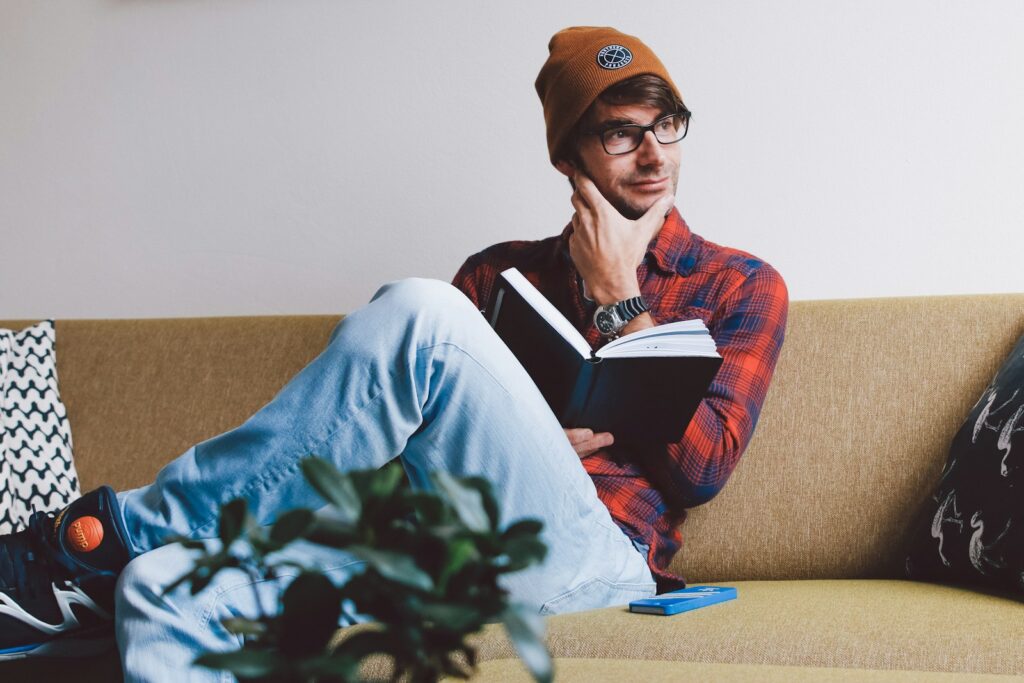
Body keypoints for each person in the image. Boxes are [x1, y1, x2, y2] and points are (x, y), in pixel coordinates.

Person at [0, 26, 788, 681]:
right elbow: (369, 456)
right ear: (567, 158)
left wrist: (621, 299)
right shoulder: (498, 275)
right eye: (621, 133)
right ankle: (131, 554)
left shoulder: (741, 284)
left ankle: (104, 536)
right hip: (432, 552)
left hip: (595, 561)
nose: (654, 155)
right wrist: (512, 432)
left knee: (420, 312)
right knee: (161, 585)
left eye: (667, 125)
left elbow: (705, 466)